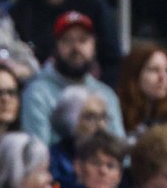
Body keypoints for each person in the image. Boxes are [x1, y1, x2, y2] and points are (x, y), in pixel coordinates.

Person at [21, 11, 124, 147]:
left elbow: (120, 151)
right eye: (67, 40)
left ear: (94, 46)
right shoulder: (37, 93)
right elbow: (36, 154)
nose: (76, 48)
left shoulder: (106, 94)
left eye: (83, 40)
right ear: (55, 47)